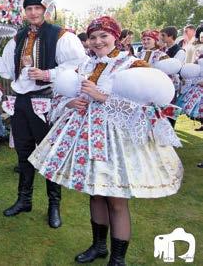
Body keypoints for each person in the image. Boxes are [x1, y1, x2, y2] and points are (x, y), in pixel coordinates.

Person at [29, 16, 183, 265]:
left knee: (117, 200)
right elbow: (61, 95)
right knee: (96, 193)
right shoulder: (85, 66)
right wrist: (70, 102)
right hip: (87, 137)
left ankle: (118, 259)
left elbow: (151, 106)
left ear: (116, 37)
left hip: (119, 142)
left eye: (104, 36)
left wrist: (102, 97)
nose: (97, 41)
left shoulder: (134, 64)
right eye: (92, 37)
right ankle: (98, 246)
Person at [0, 0, 87, 227]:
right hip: (21, 102)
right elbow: (10, 71)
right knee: (24, 154)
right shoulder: (17, 37)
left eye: (37, 7)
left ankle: (54, 206)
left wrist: (49, 75)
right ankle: (24, 200)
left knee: (50, 154)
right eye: (29, 8)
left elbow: (78, 64)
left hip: (46, 101)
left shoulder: (61, 35)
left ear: (46, 8)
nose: (32, 12)